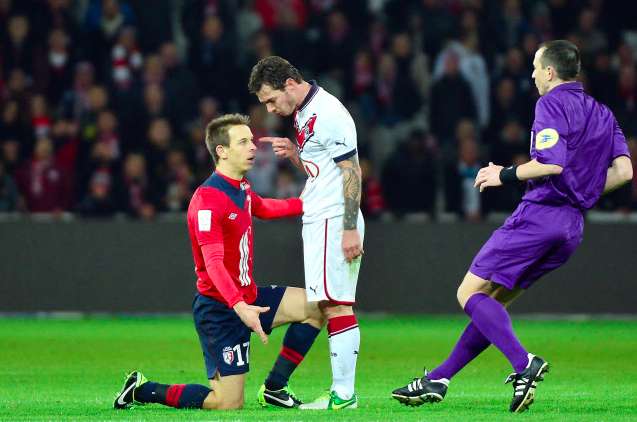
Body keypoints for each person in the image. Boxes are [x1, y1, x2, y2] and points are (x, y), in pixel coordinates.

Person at [392, 40, 633, 413]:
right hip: (571, 227)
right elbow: (624, 172)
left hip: (540, 214)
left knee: (467, 293)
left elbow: (550, 164)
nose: (533, 74)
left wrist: (500, 174)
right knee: (491, 305)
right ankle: (439, 379)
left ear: (550, 72)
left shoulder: (550, 102)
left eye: (536, 68)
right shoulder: (603, 112)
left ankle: (524, 364)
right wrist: (581, 191)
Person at [113, 114, 324, 410]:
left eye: (251, 140)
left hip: (249, 297)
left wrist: (308, 205)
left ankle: (275, 387)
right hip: (221, 309)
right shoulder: (208, 200)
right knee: (227, 403)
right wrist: (241, 309)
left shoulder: (242, 188)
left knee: (317, 307)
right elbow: (213, 265)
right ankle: (143, 389)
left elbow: (263, 207)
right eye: (243, 141)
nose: (253, 147)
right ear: (222, 151)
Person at [249, 56, 364, 410]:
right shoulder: (302, 113)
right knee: (325, 304)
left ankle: (343, 396)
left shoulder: (329, 112)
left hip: (333, 218)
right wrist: (296, 156)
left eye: (270, 99)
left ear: (289, 84)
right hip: (319, 216)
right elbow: (322, 169)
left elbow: (352, 172)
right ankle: (281, 386)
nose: (270, 109)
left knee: (335, 305)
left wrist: (348, 229)